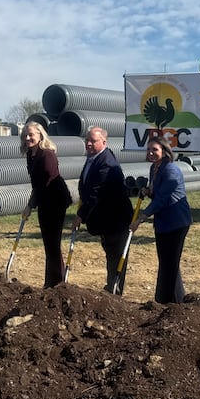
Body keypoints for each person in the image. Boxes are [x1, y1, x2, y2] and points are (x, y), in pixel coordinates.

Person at [130, 136, 192, 304]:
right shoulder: (154, 168)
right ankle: (173, 300)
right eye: (149, 149)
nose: (151, 152)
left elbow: (162, 199)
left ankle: (167, 301)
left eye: (155, 149)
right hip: (163, 222)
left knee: (169, 263)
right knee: (167, 262)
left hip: (176, 221)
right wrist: (147, 191)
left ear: (164, 151)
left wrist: (141, 217)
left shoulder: (171, 170)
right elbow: (155, 191)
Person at [72, 126, 134, 294]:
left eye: (93, 141)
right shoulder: (94, 158)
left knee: (116, 257)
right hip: (106, 220)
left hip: (116, 219)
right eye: (87, 140)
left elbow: (95, 192)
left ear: (104, 142)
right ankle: (111, 287)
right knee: (111, 255)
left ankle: (114, 291)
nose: (89, 144)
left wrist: (80, 215)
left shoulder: (106, 162)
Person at [20, 121, 73, 287]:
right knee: (48, 244)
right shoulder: (31, 154)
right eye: (25, 135)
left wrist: (32, 204)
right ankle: (50, 282)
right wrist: (30, 205)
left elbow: (47, 182)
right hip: (44, 201)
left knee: (52, 243)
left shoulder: (47, 155)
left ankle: (57, 284)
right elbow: (36, 185)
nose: (28, 138)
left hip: (55, 201)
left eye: (31, 135)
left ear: (40, 135)